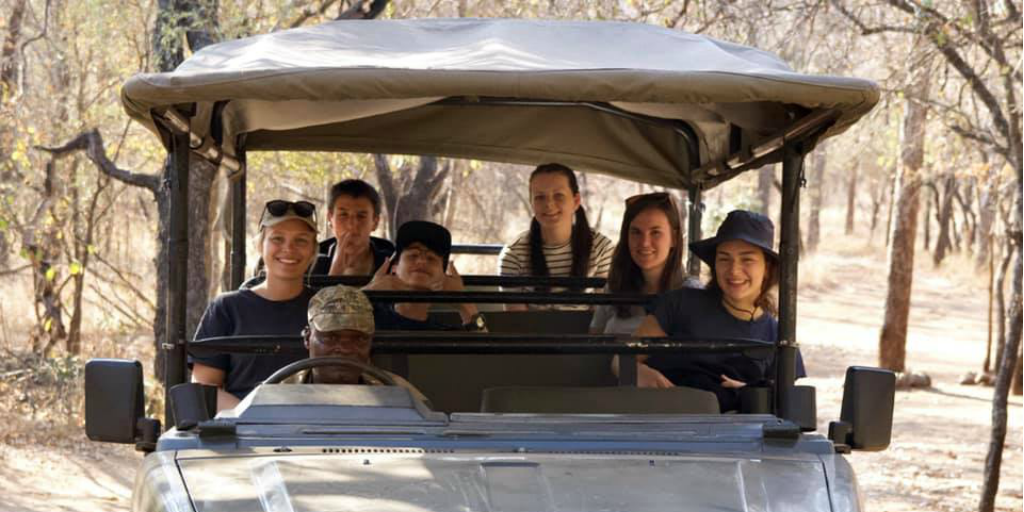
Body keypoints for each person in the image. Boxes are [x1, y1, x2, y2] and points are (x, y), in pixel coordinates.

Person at [620, 210, 806, 412]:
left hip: (731, 436)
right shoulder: (680, 304)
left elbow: (786, 410)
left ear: (767, 268)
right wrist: (640, 372)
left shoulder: (777, 336)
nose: (734, 271)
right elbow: (621, 360)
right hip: (662, 420)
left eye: (747, 260)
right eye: (724, 259)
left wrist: (751, 392)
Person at [191, 200, 319, 412]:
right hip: (243, 433)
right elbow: (205, 387)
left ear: (314, 250)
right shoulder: (226, 308)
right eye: (277, 238)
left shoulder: (326, 309)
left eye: (301, 241)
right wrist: (254, 417)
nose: (289, 249)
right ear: (260, 245)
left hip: (316, 430)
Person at [498, 163, 614, 310]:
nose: (549, 205)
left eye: (558, 196)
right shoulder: (514, 255)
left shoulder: (601, 248)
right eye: (540, 197)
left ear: (576, 201)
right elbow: (517, 323)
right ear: (532, 203)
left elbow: (601, 318)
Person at [288, 285, 430, 404]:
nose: (345, 349)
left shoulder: (401, 394)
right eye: (331, 337)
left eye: (359, 339)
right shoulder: (278, 392)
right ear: (307, 338)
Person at [364, 220, 487, 332]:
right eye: (413, 255)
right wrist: (369, 292)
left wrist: (465, 303)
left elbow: (488, 354)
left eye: (431, 259)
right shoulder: (366, 318)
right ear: (394, 268)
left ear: (443, 276)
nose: (422, 261)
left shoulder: (446, 335)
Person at [590, 192, 685, 334]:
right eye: (636, 232)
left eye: (655, 232)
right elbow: (594, 340)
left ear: (674, 238)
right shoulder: (614, 287)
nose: (644, 243)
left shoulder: (691, 293)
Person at [311, 179, 395, 276]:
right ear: (330, 219)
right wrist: (334, 274)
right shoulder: (310, 266)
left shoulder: (392, 264)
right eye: (343, 215)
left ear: (375, 222)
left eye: (361, 216)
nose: (352, 225)